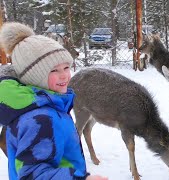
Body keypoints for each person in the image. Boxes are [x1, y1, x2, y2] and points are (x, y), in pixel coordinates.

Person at [0, 22, 108, 180]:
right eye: (54, 70)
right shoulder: (40, 118)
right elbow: (33, 175)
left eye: (66, 67)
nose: (64, 75)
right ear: (33, 76)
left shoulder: (40, 106)